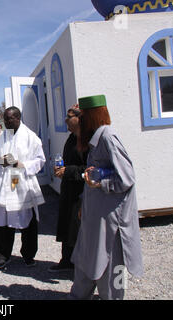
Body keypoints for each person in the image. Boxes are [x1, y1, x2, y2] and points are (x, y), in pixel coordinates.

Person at [68, 94, 143, 300]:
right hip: (94, 218)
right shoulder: (95, 139)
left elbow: (126, 178)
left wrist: (101, 183)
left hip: (110, 223)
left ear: (92, 116)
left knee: (111, 265)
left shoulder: (108, 137)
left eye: (82, 116)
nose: (79, 120)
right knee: (86, 259)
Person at [0, 106, 46, 270]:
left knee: (27, 222)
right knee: (3, 223)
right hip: (5, 181)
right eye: (4, 119)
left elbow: (40, 160)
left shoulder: (31, 137)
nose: (6, 122)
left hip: (21, 182)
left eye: (9, 119)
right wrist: (1, 161)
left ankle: (28, 255)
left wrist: (19, 164)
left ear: (18, 118)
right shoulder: (3, 136)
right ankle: (3, 255)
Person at [49, 106, 88, 273]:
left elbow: (90, 169)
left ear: (79, 118)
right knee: (67, 226)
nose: (65, 119)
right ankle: (67, 260)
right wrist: (61, 171)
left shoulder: (88, 140)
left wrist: (69, 171)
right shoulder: (72, 138)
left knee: (78, 229)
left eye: (69, 116)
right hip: (68, 189)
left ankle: (82, 265)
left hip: (82, 192)